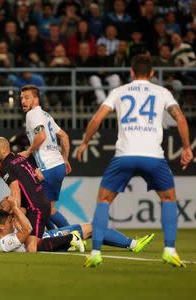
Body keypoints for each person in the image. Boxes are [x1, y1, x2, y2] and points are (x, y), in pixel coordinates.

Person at [76, 55, 194, 268]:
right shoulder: (162, 92)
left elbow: (97, 118)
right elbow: (181, 118)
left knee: (103, 200)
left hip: (125, 154)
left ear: (131, 72)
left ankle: (95, 252)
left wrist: (85, 142)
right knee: (168, 199)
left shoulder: (119, 91)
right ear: (151, 73)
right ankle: (169, 250)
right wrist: (186, 148)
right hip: (153, 156)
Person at [0, 137, 61, 252]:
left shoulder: (5, 167)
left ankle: (69, 238)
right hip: (41, 201)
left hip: (36, 207)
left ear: (3, 150)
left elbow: (16, 190)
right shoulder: (19, 158)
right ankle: (66, 236)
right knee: (34, 241)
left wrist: (15, 212)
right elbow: (37, 177)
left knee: (31, 248)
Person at [19, 84, 71, 230]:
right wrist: (65, 159)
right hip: (58, 166)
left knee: (37, 206)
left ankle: (71, 234)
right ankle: (59, 235)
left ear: (36, 99)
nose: (23, 101)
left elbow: (41, 136)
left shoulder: (32, 114)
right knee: (46, 208)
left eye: (27, 97)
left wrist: (28, 152)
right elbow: (64, 136)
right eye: (21, 98)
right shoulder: (46, 115)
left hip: (47, 167)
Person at [0, 201, 84, 253]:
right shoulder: (6, 243)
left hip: (41, 236)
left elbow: (21, 211)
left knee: (36, 245)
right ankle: (71, 239)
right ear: (2, 227)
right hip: (39, 235)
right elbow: (28, 230)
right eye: (10, 221)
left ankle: (72, 238)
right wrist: (15, 208)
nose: (12, 222)